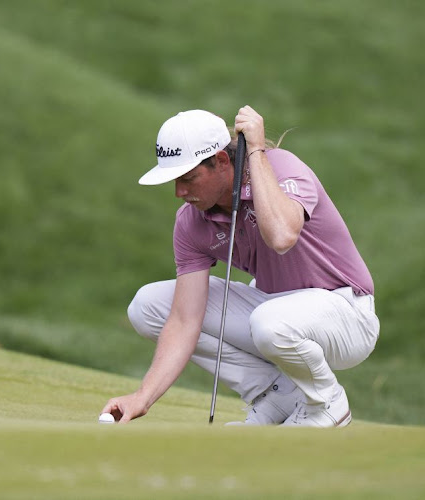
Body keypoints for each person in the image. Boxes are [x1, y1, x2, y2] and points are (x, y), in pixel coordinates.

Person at [101, 106, 379, 426]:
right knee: (148, 307)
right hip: (276, 312)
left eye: (188, 179)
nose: (179, 193)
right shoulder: (190, 222)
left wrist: (257, 151)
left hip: (347, 315)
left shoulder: (282, 167)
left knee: (269, 323)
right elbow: (183, 321)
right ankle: (275, 394)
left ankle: (326, 401)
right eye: (174, 181)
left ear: (221, 161)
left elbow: (281, 235)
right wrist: (143, 397)